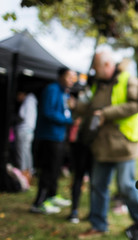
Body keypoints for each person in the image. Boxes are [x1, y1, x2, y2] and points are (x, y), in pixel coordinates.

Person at [77, 50, 138, 239]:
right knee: (98, 185)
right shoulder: (97, 84)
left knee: (126, 186)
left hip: (123, 143)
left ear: (107, 65)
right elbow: (89, 106)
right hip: (102, 144)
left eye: (96, 68)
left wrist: (106, 113)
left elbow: (136, 105)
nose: (94, 71)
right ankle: (98, 225)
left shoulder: (128, 79)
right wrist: (78, 101)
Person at [30, 67, 76, 214]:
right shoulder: (52, 89)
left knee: (55, 168)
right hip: (48, 137)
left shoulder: (64, 93)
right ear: (61, 76)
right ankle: (38, 203)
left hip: (58, 137)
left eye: (73, 78)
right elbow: (48, 112)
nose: (72, 80)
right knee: (48, 170)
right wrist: (69, 120)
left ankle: (51, 196)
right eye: (69, 77)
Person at [14, 89, 38, 184]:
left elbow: (21, 115)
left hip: (24, 130)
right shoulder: (33, 101)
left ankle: (23, 177)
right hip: (30, 130)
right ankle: (29, 174)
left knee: (22, 153)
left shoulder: (27, 101)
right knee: (27, 153)